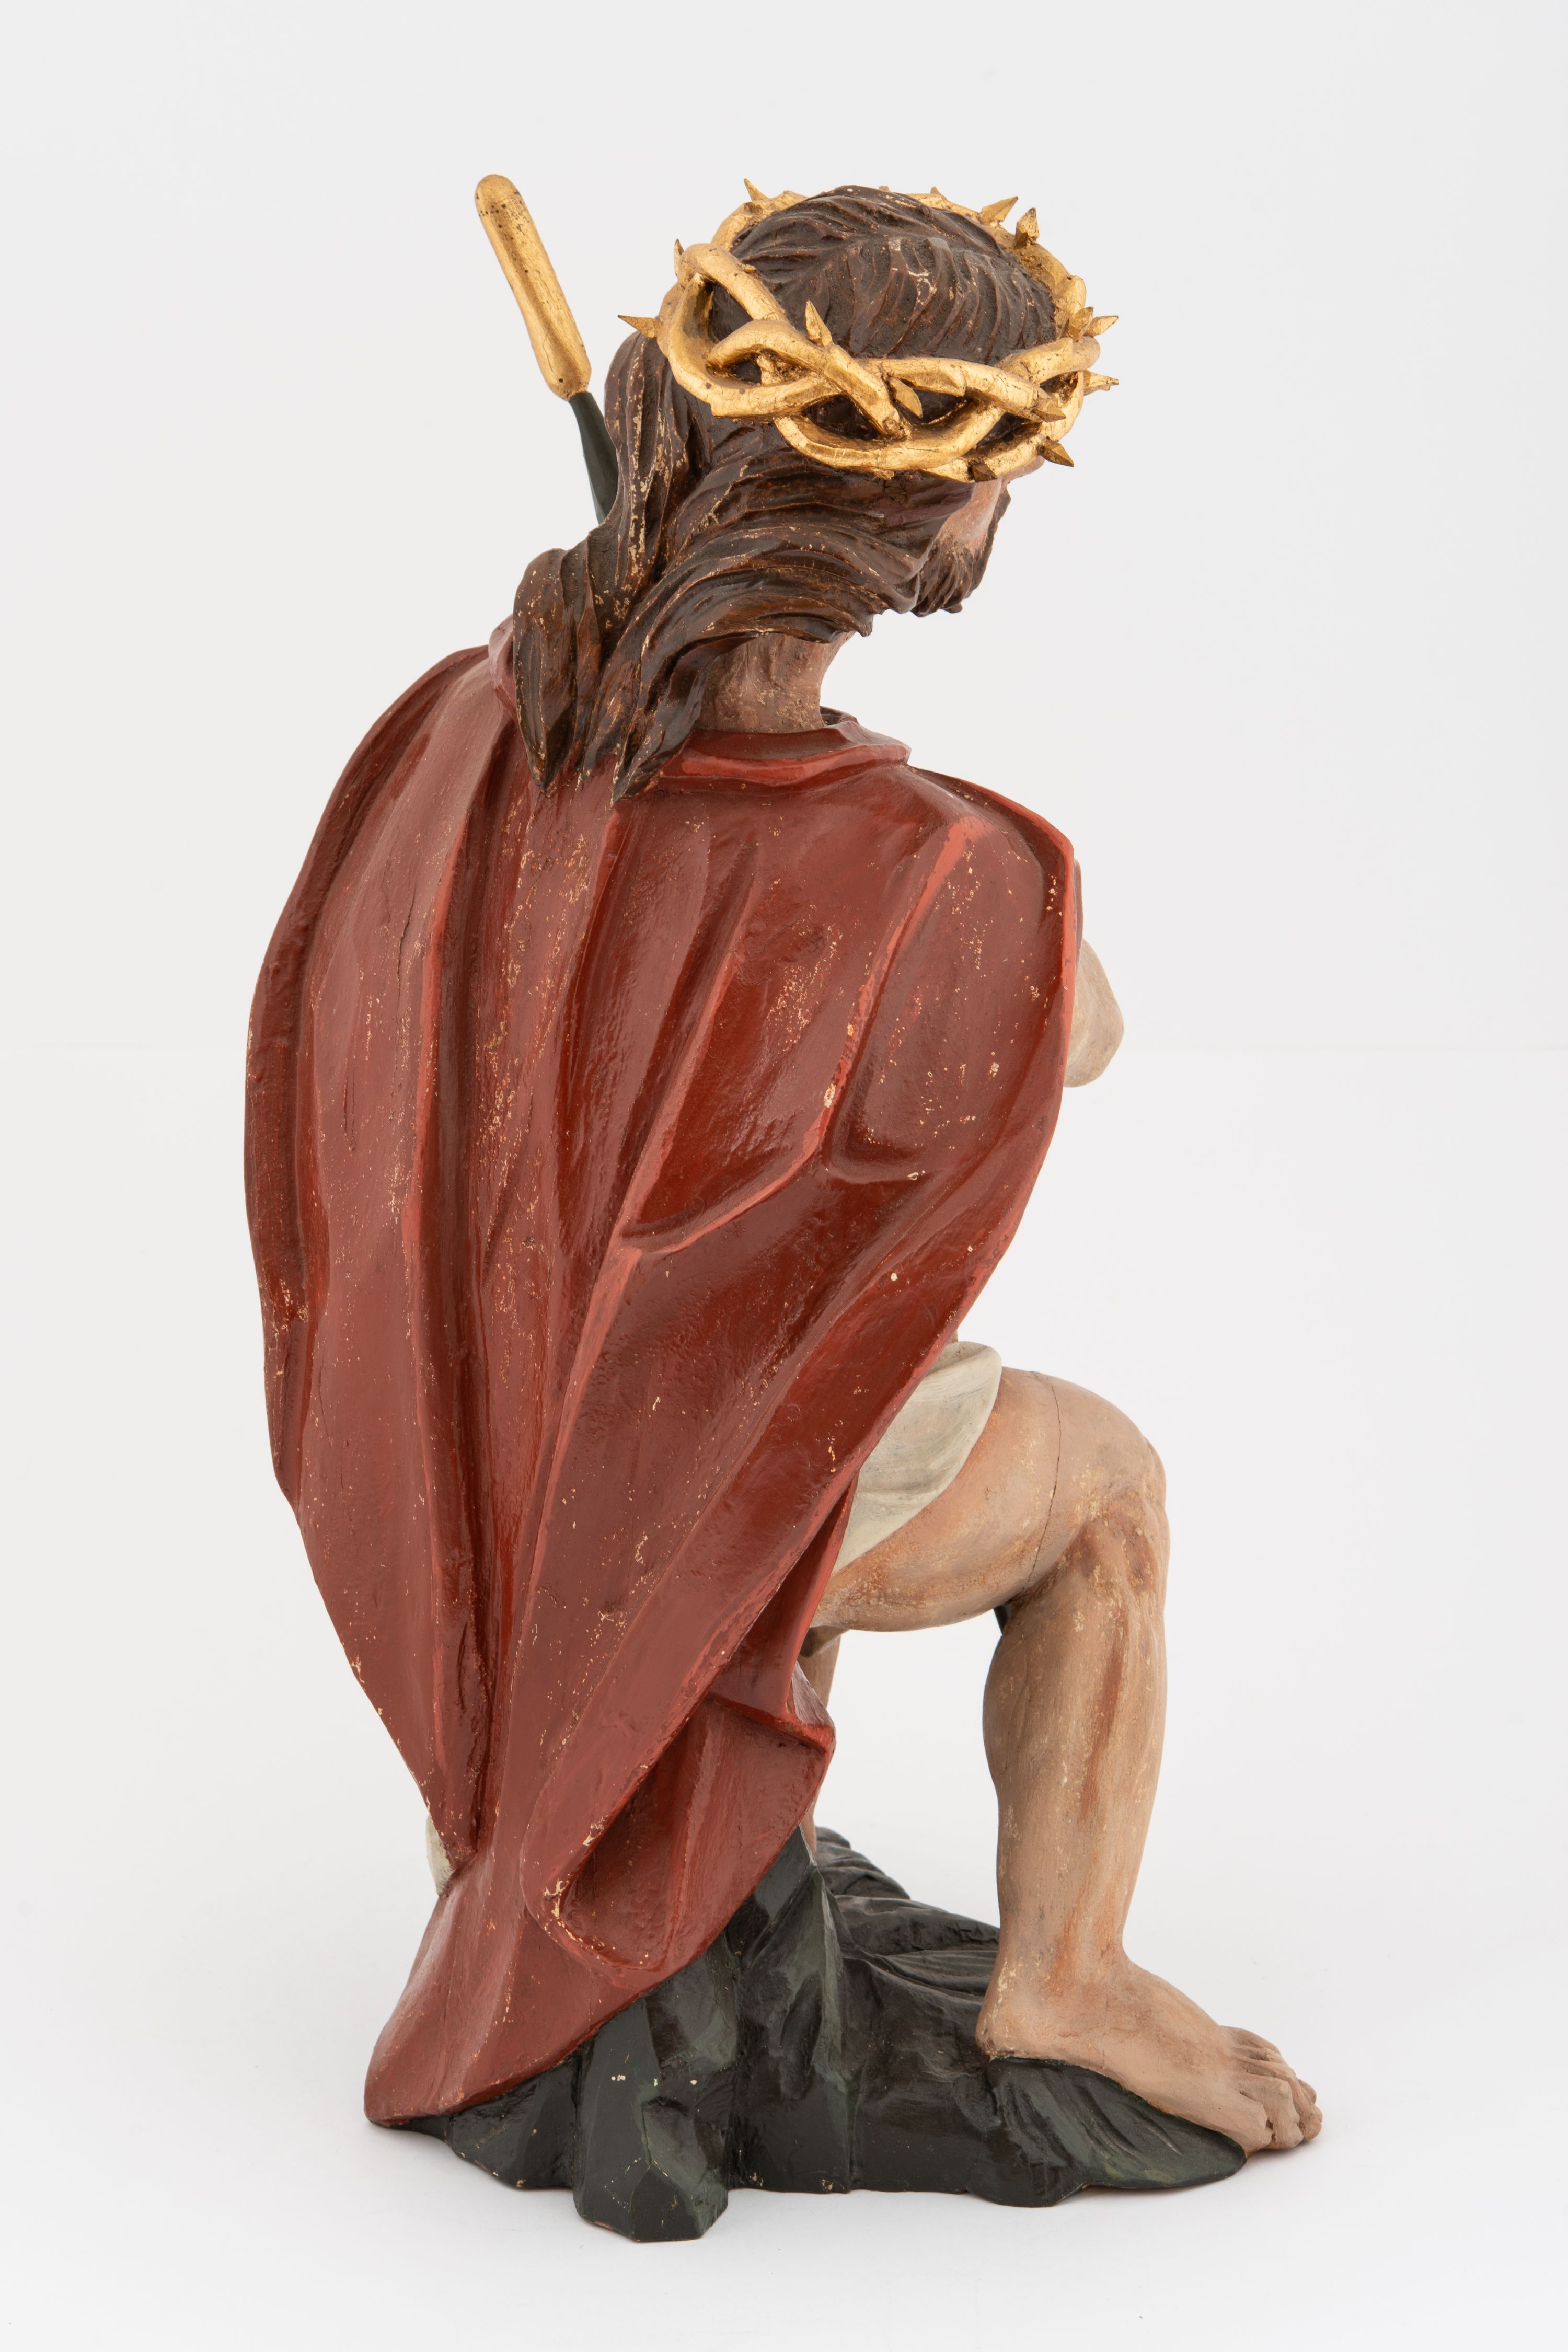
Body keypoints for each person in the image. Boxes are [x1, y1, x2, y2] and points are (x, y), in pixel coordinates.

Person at [246, 182, 1316, 2161]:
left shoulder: (464, 722)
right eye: (1002, 482)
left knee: (797, 1378)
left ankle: (663, 1843)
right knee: (1106, 1490)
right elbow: (1073, 1037)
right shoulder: (932, 865)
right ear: (912, 508)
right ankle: (1067, 1973)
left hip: (504, 1434)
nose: (1005, 518)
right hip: (679, 1458)